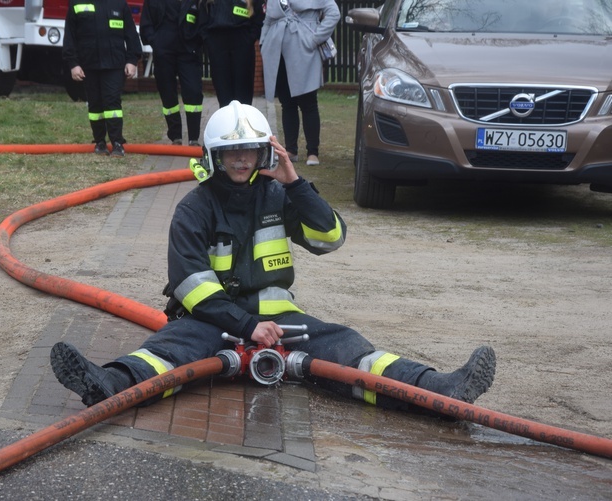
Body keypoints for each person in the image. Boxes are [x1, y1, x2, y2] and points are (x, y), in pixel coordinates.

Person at [51, 101, 497, 414]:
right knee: (168, 352)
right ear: (214, 156)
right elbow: (191, 286)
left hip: (279, 318)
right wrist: (246, 327)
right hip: (210, 321)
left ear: (266, 151)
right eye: (231, 152)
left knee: (349, 348)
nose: (241, 159)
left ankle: (437, 390)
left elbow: (330, 237)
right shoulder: (194, 208)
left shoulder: (277, 195)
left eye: (249, 150)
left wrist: (296, 183)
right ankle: (107, 383)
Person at [260, 0, 339, 166]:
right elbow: (268, 18)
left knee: (308, 102)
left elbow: (334, 13)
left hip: (304, 49)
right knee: (287, 103)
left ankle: (312, 152)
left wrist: (315, 39)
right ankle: (291, 150)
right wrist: (263, 42)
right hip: (277, 49)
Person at [63, 0, 143, 157]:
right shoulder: (77, 3)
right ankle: (99, 141)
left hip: (114, 64)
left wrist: (132, 60)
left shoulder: (119, 4)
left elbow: (131, 34)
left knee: (112, 102)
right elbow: (70, 37)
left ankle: (117, 142)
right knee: (95, 105)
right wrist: (73, 64)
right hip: (88, 65)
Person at [140, 0, 204, 146]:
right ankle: (175, 136)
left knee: (193, 91)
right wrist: (156, 42)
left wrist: (197, 43)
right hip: (164, 52)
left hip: (188, 52)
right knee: (168, 94)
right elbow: (146, 24)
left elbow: (203, 22)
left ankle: (194, 138)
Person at [198, 0, 265, 107]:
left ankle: (243, 122)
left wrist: (249, 39)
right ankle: (227, 122)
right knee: (224, 98)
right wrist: (210, 42)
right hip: (217, 45)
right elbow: (202, 20)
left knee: (244, 98)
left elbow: (259, 19)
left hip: (243, 44)